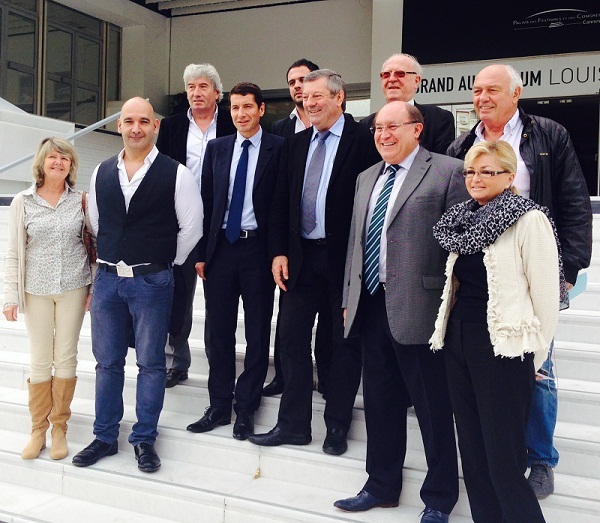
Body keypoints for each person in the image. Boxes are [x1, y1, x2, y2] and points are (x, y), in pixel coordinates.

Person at [447, 64, 593, 498]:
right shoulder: (463, 144)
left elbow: (573, 198)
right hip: (486, 280)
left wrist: (568, 268)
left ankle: (540, 459)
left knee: (539, 367)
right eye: (476, 90)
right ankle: (500, 460)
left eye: (492, 89)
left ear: (517, 93)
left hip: (536, 265)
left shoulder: (547, 134)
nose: (482, 97)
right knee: (500, 379)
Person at [334, 101, 465, 522]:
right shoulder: (365, 177)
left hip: (422, 309)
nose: (384, 134)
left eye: (393, 127)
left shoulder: (447, 171)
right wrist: (348, 299)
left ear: (417, 129)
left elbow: (461, 246)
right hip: (371, 304)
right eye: (377, 128)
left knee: (432, 408)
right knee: (380, 402)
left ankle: (441, 497)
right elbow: (357, 244)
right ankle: (381, 485)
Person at [430, 140, 567, 522]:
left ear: (509, 176)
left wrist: (535, 356)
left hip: (504, 350)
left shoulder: (528, 219)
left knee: (504, 460)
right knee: (473, 457)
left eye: (487, 171)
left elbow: (545, 299)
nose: (476, 178)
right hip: (457, 340)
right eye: (471, 171)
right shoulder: (462, 219)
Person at [249, 69, 380, 456]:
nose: (310, 102)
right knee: (290, 339)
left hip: (344, 261)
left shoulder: (364, 142)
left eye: (319, 96)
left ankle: (337, 425)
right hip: (301, 259)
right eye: (306, 97)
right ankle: (293, 425)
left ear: (340, 98)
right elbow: (278, 202)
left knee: (341, 345)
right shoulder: (295, 143)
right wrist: (277, 251)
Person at [72, 97, 202, 473]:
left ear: (155, 126)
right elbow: (96, 221)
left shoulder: (175, 173)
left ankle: (144, 439)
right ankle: (105, 436)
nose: (136, 128)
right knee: (107, 363)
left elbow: (191, 228)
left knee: (151, 363)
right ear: (119, 126)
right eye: (129, 120)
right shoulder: (100, 172)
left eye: (144, 121)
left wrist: (162, 263)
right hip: (109, 280)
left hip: (152, 280)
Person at [186, 82, 284, 440]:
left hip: (258, 250)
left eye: (247, 107)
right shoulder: (217, 148)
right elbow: (207, 202)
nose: (241, 114)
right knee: (217, 332)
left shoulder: (279, 148)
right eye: (235, 108)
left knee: (257, 332)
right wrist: (201, 254)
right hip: (221, 251)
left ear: (261, 110)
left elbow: (280, 205)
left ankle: (246, 408)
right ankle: (218, 405)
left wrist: (278, 252)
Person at [3, 137, 92, 461]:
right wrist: (10, 296)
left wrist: (93, 287)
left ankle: (59, 428)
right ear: (42, 162)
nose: (58, 162)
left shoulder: (80, 201)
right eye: (53, 157)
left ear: (71, 165)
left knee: (66, 356)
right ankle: (38, 429)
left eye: (64, 158)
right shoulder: (22, 202)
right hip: (35, 290)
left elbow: (92, 245)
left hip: (73, 286)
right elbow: (14, 252)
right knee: (41, 359)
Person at [156, 63, 236, 388]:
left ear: (218, 92)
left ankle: (220, 365)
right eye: (190, 87)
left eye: (203, 86)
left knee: (219, 299)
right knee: (179, 293)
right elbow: (159, 173)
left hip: (224, 223)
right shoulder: (172, 127)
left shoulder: (234, 123)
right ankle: (177, 361)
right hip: (181, 222)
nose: (196, 92)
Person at [265, 58, 332, 398]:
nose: (299, 88)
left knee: (332, 333)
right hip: (296, 249)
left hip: (333, 252)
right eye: (293, 82)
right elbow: (280, 195)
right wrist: (279, 249)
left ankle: (330, 390)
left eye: (305, 81)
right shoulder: (282, 132)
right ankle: (288, 393)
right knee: (290, 329)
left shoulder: (351, 135)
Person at [361, 53, 455, 154]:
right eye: (386, 74)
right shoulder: (366, 125)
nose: (391, 79)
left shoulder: (439, 119)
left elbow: (443, 165)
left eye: (400, 73)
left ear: (417, 81)